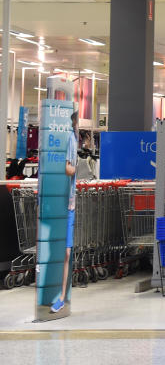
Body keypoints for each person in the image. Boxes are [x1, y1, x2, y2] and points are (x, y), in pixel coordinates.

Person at [50, 111, 79, 313]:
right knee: (61, 252)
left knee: (66, 252)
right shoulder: (68, 137)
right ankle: (57, 295)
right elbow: (68, 168)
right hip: (61, 201)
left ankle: (61, 296)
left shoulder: (71, 138)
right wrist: (77, 167)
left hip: (67, 201)